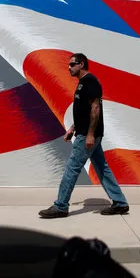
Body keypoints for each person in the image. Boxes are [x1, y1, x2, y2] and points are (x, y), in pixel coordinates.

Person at [39, 53, 129, 218]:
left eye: (72, 64)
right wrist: (72, 128)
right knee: (102, 168)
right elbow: (84, 112)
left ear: (81, 64)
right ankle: (120, 203)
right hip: (84, 132)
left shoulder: (90, 82)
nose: (69, 67)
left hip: (87, 135)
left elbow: (95, 109)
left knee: (72, 168)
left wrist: (90, 135)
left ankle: (60, 206)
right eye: (69, 65)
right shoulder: (82, 83)